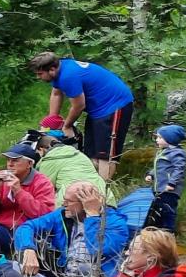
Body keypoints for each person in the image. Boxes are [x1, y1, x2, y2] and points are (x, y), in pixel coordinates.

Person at [32, 51, 135, 180]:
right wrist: (52, 120)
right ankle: (90, 183)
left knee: (105, 153)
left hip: (115, 105)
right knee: (91, 151)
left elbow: (79, 105)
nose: (38, 77)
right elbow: (56, 94)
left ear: (51, 69)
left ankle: (102, 191)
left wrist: (67, 125)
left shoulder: (68, 76)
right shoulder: (59, 69)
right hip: (97, 109)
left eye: (40, 74)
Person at [14, 180, 130, 277]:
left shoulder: (116, 223)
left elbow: (99, 249)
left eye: (69, 201)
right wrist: (28, 249)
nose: (64, 204)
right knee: (23, 254)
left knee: (84, 268)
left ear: (85, 203)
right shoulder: (63, 215)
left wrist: (92, 216)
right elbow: (26, 227)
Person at [0, 141, 58, 245]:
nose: (10, 164)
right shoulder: (1, 179)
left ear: (30, 164)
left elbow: (44, 215)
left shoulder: (42, 183)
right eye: (8, 160)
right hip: (4, 228)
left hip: (31, 232)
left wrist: (19, 192)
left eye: (15, 160)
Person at [33, 119, 107, 196]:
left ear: (41, 149)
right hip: (103, 195)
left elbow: (44, 188)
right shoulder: (80, 154)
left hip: (74, 198)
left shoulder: (48, 161)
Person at [149, 124, 186, 233]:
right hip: (159, 189)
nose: (157, 140)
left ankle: (168, 232)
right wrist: (151, 174)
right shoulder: (163, 152)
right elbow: (158, 167)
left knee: (167, 211)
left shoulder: (177, 153)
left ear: (170, 139)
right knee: (157, 211)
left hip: (169, 190)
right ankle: (158, 233)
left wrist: (172, 183)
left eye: (160, 138)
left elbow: (179, 169)